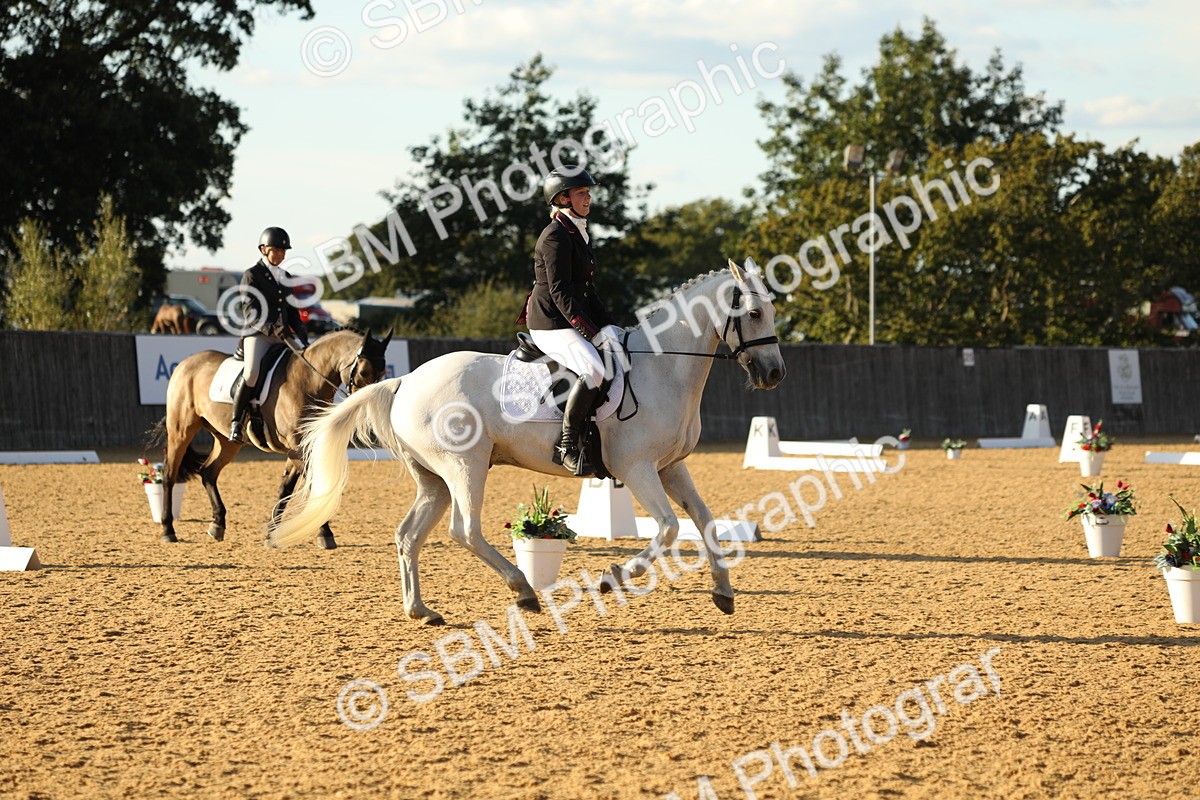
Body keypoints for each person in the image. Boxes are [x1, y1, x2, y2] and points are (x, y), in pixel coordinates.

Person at [520, 166, 622, 475]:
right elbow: (561, 292)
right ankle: (567, 445)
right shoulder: (554, 236)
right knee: (593, 369)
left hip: (568, 317)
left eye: (588, 193)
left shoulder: (577, 230)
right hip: (550, 322)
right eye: (581, 193)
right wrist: (589, 331)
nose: (588, 197)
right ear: (563, 198)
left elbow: (586, 290)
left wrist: (609, 326)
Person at [229, 226, 309, 443]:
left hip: (282, 335)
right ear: (264, 249)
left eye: (284, 251)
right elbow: (250, 311)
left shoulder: (285, 276)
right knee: (252, 373)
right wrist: (273, 328)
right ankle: (236, 422)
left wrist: (301, 331)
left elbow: (291, 310)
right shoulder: (251, 275)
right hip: (258, 334)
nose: (281, 254)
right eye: (277, 250)